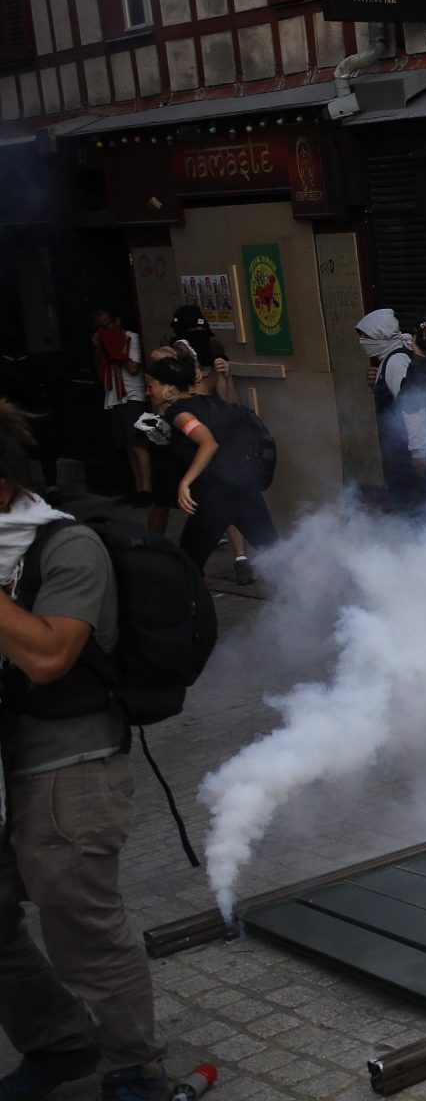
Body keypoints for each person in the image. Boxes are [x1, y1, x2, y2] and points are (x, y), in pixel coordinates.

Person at [0, 402, 173, 1101]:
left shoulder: (66, 546)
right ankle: (59, 1042)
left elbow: (48, 656)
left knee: (81, 929)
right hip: (4, 766)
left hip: (66, 766)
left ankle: (136, 1068)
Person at [141, 354, 280, 577]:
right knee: (277, 552)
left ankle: (196, 602)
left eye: (151, 386)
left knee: (189, 566)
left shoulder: (178, 413)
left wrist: (185, 483)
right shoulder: (206, 402)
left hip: (215, 497)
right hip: (244, 488)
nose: (148, 392)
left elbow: (208, 443)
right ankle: (325, 592)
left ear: (169, 388)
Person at [356, 308, 426, 510]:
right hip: (399, 448)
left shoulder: (396, 362)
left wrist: (418, 451)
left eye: (366, 336)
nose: (362, 342)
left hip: (405, 449)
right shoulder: (390, 359)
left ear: (379, 335)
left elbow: (413, 408)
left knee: (412, 504)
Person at [91, 311, 148, 506]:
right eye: (100, 328)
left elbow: (133, 368)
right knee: (128, 446)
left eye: (106, 326)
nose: (104, 331)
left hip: (133, 396)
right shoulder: (105, 343)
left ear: (117, 321)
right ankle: (137, 488)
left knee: (137, 444)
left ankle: (146, 490)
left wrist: (113, 348)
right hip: (115, 397)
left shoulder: (131, 338)